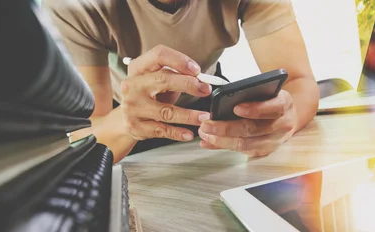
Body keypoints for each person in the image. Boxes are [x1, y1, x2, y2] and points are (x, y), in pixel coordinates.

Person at [43, 0, 319, 163]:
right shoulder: (73, 6)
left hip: (209, 93)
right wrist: (127, 121)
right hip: (123, 109)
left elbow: (298, 81)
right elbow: (84, 137)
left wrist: (284, 119)